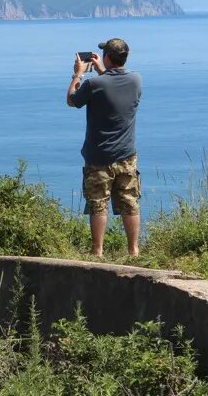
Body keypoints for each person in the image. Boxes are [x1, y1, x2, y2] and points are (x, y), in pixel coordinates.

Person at [66, 38, 142, 257]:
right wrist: (103, 71)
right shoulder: (136, 80)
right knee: (129, 201)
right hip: (127, 155)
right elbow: (114, 87)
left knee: (98, 204)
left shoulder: (93, 84)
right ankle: (133, 251)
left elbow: (72, 100)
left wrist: (78, 74)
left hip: (98, 156)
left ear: (107, 57)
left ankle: (97, 251)